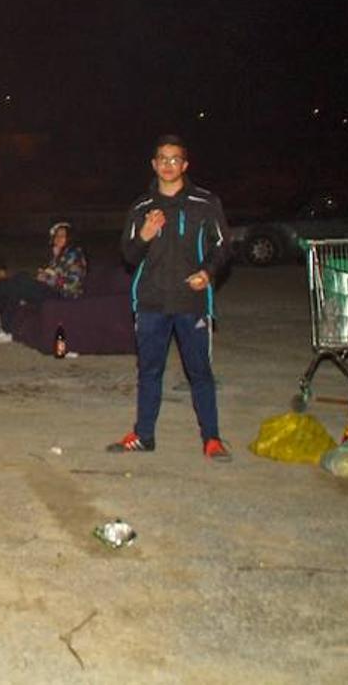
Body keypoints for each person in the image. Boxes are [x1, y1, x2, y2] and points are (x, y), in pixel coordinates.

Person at [108, 134, 233, 461]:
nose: (168, 164)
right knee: (149, 371)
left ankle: (212, 438)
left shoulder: (205, 203)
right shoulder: (142, 207)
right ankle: (143, 435)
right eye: (162, 158)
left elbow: (223, 246)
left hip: (191, 303)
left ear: (185, 164)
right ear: (154, 164)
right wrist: (145, 235)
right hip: (150, 302)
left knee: (200, 372)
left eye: (174, 159)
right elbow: (129, 254)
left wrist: (207, 273)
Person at [0, 221, 86, 341]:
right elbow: (53, 275)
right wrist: (44, 275)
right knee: (11, 286)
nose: (58, 238)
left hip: (62, 295)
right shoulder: (59, 254)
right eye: (56, 235)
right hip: (51, 289)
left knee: (20, 279)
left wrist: (47, 277)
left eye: (62, 236)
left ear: (70, 238)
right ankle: (5, 330)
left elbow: (71, 284)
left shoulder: (74, 255)